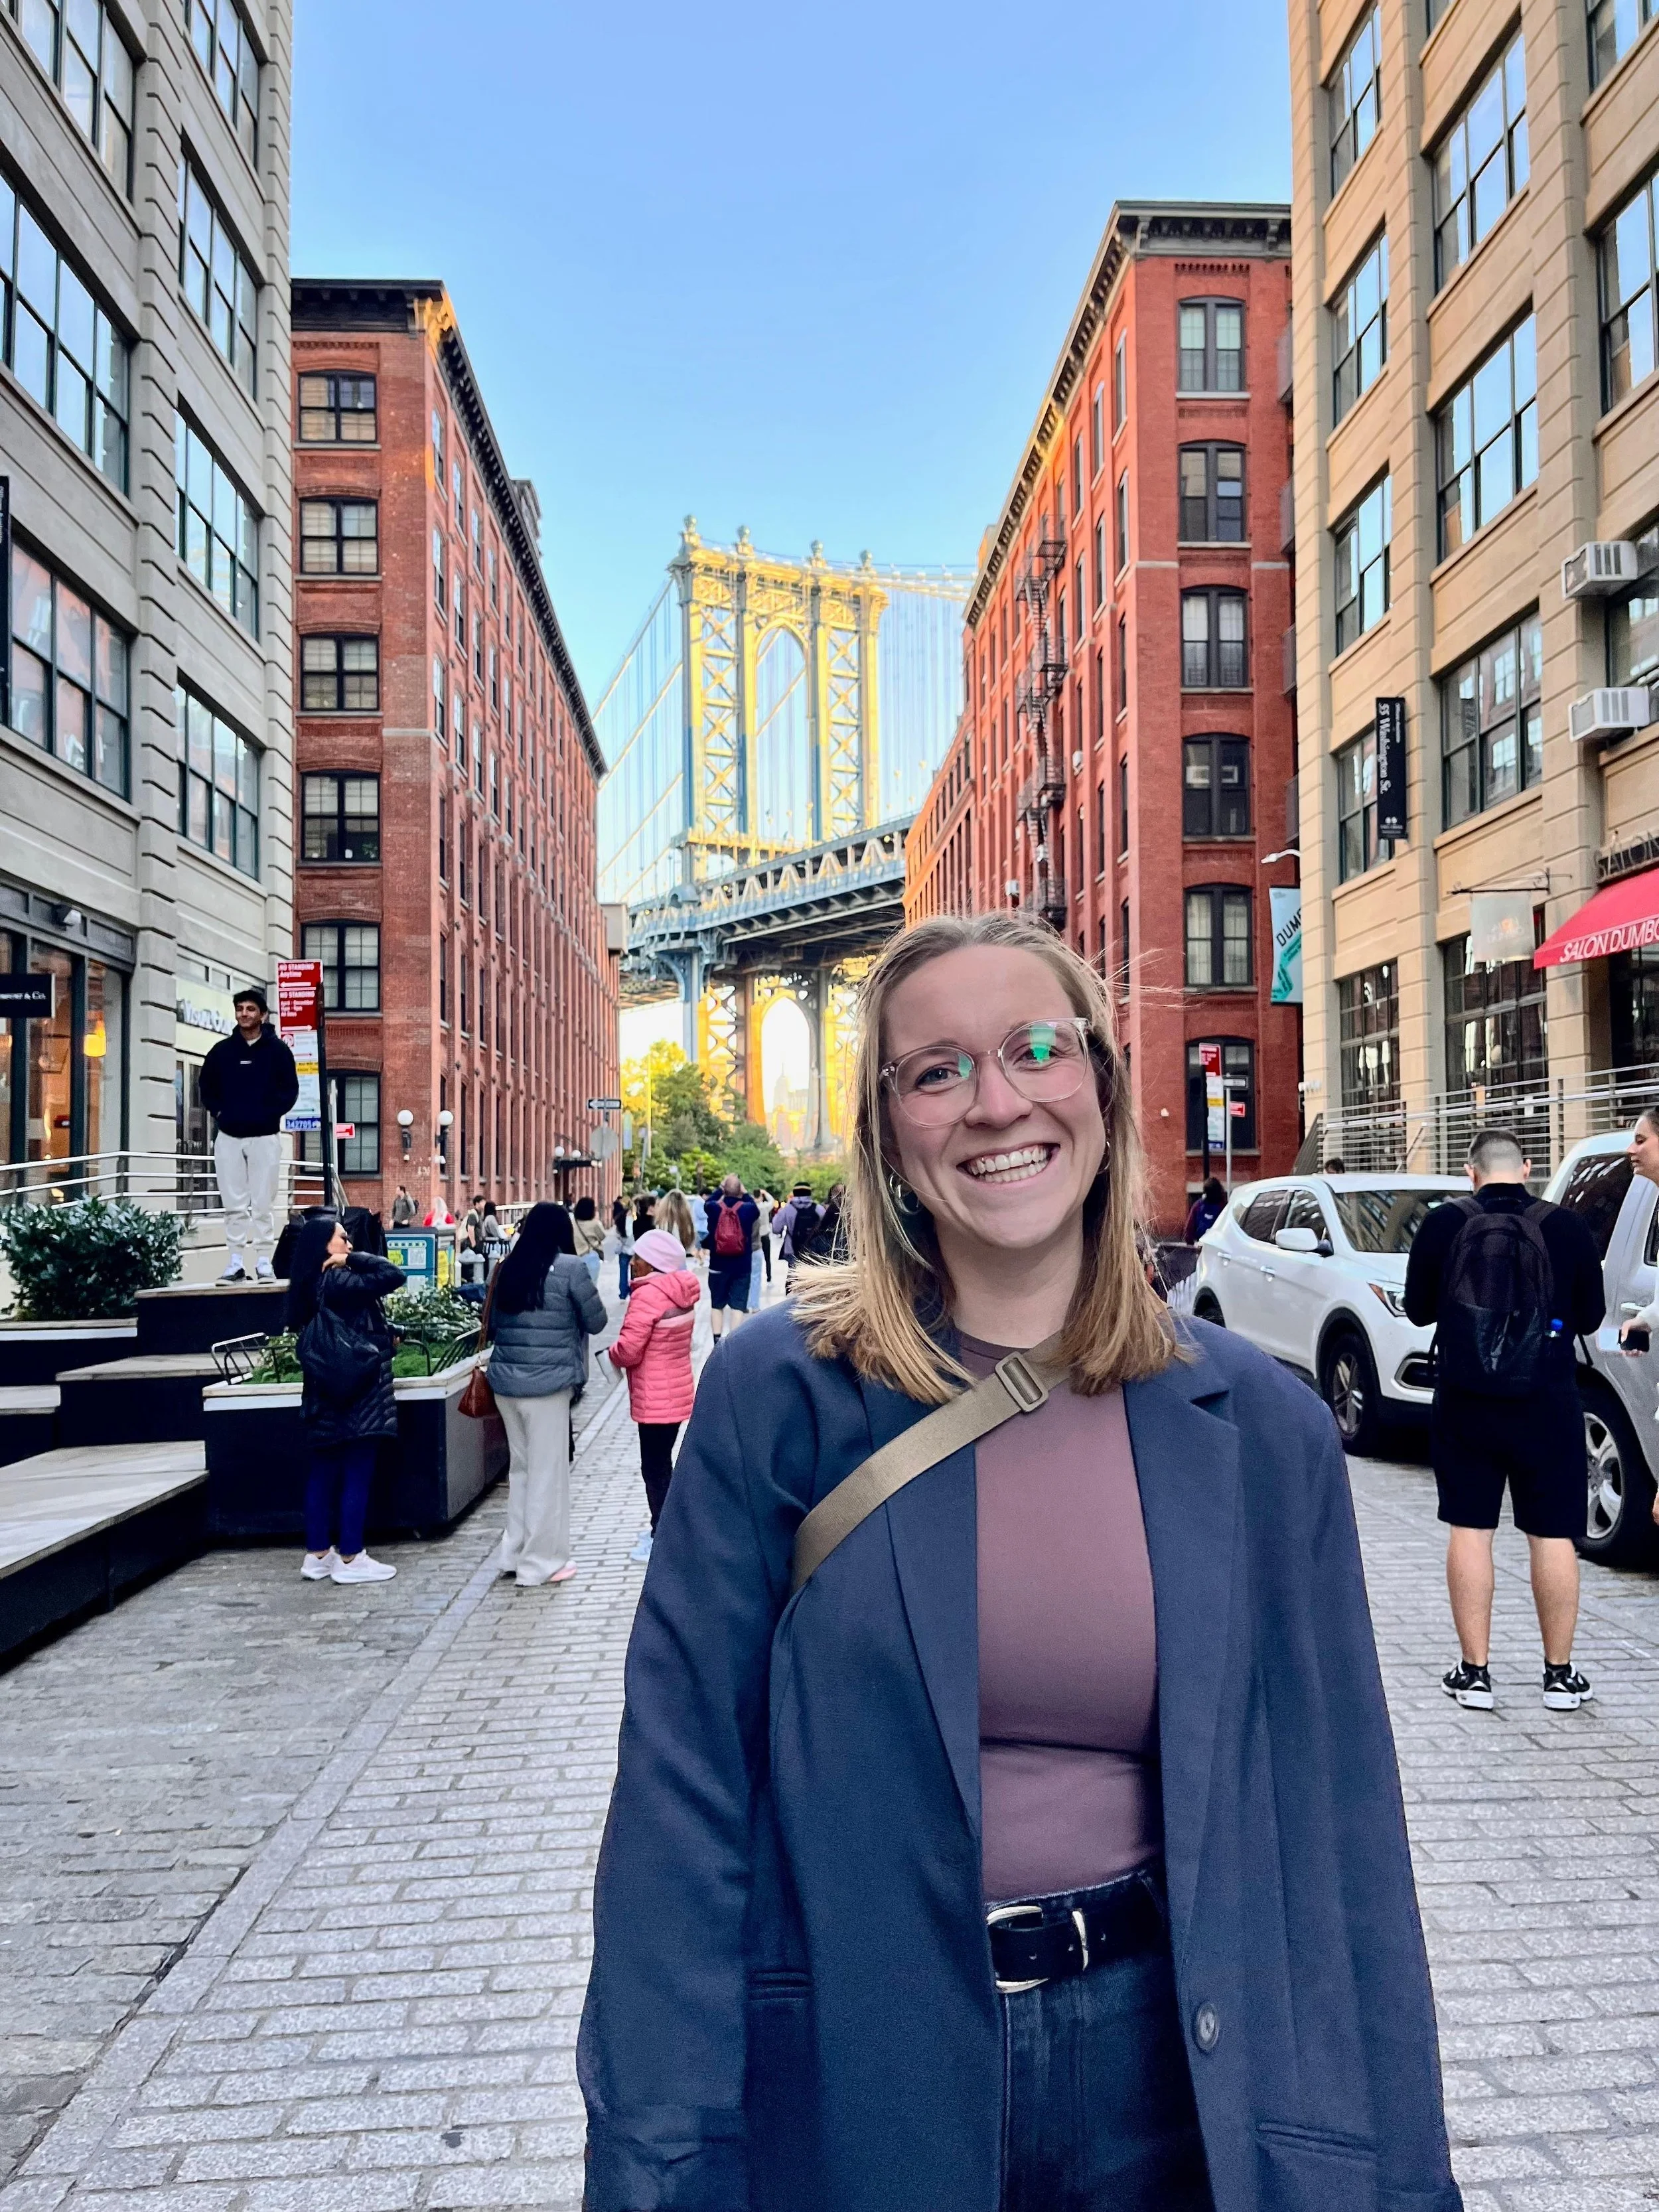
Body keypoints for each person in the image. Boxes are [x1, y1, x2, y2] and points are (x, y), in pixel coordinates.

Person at [579, 911, 1460, 2212]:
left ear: (1100, 1086)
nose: (994, 1102)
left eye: (1035, 1049)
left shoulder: (1261, 1432)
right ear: (885, 1133)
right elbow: (680, 1803)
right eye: (935, 1070)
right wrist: (659, 2159)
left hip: (1166, 2079)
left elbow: (1339, 1834)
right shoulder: (778, 1400)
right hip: (854, 2067)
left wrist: (1399, 2177)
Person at [1404, 1126, 1605, 1712]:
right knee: (1553, 1533)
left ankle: (1475, 1674)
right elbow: (1589, 1317)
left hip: (1467, 1399)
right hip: (1548, 1399)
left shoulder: (1445, 1223)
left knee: (1471, 1528)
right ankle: (1560, 1676)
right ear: (1529, 1168)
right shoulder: (1565, 1225)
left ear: (1472, 1172)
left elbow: (1418, 1311)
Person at [485, 1201, 607, 1588]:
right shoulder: (571, 1269)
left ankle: (514, 1551)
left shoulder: (506, 1268)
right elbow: (598, 1320)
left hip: (506, 1384)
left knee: (521, 1470)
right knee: (548, 1474)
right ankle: (541, 1563)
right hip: (547, 1386)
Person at [286, 1215, 405, 1585]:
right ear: (325, 1246)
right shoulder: (339, 1277)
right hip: (359, 1392)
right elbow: (392, 1275)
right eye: (343, 1239)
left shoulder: (310, 1283)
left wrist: (387, 1333)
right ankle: (352, 1557)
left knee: (323, 1473)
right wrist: (351, 1261)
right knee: (357, 1471)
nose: (350, 1245)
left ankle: (319, 1554)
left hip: (325, 1390)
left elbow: (348, 1326)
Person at [605, 1226, 701, 1568]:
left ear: (653, 1263)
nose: (632, 1263)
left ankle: (663, 1534)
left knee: (655, 1468)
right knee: (664, 1462)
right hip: (676, 1392)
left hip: (654, 1398)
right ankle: (672, 1529)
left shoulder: (648, 1295)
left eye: (638, 1258)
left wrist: (611, 1355)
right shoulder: (681, 1292)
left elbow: (630, 1349)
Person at [199, 986, 299, 1283]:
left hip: (265, 1136)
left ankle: (265, 1261)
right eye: (240, 1009)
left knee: (263, 1203)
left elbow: (290, 1090)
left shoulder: (279, 1052)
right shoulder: (221, 1052)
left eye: (251, 1009)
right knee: (233, 1203)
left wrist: (270, 1114)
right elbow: (206, 1089)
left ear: (263, 1015)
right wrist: (220, 1114)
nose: (244, 1014)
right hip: (229, 1136)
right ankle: (235, 1262)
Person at [701, 1172, 758, 1339]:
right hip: (742, 1266)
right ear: (739, 1190)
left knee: (716, 1304)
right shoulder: (748, 1209)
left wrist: (721, 1187)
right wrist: (745, 1192)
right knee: (738, 1306)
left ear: (724, 1190)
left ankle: (716, 1340)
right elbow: (755, 1207)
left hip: (718, 1265)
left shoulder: (713, 1208)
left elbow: (708, 1202)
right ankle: (733, 1341)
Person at [573, 1193, 607, 1285]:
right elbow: (603, 1237)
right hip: (591, 1255)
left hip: (576, 1257)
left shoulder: (573, 1223)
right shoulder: (595, 1224)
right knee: (592, 1286)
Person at [1183, 1175, 1227, 1244]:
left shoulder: (1198, 1205)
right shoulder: (1223, 1206)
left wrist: (1190, 1243)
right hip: (1217, 1244)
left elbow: (1189, 1228)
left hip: (1201, 1242)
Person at [655, 1188, 698, 1258]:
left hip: (663, 1260)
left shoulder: (661, 1224)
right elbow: (690, 1246)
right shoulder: (688, 1223)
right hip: (680, 1261)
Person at [751, 1186, 774, 1303]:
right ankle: (769, 1279)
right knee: (767, 1258)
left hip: (754, 1237)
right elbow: (772, 1201)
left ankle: (754, 1281)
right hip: (765, 1235)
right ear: (760, 1196)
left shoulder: (750, 1207)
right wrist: (766, 1192)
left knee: (754, 1260)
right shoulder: (765, 1206)